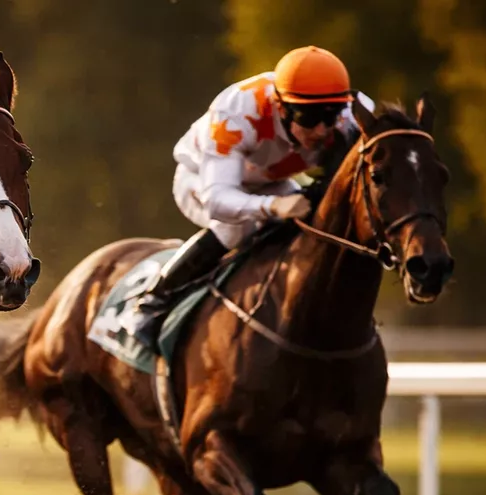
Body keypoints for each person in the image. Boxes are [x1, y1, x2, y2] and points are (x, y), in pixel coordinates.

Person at [135, 46, 376, 350]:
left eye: (330, 117)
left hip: (271, 181)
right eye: (309, 117)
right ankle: (154, 300)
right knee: (236, 229)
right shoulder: (237, 112)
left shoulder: (352, 113)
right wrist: (273, 206)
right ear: (281, 108)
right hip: (202, 181)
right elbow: (217, 200)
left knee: (312, 227)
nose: (321, 130)